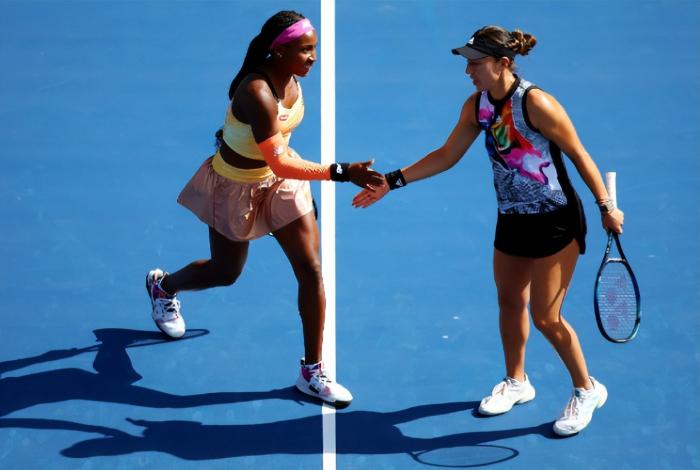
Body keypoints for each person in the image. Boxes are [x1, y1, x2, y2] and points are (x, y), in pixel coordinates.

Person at [352, 25, 624, 436]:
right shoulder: (477, 106)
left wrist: (606, 206)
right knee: (510, 302)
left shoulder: (536, 103)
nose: (468, 71)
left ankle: (587, 389)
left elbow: (578, 154)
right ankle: (517, 381)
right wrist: (392, 181)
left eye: (476, 64)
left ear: (503, 63)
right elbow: (447, 154)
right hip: (512, 217)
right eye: (467, 63)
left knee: (546, 317)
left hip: (555, 220)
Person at [145, 10, 383, 408]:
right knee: (226, 272)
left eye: (314, 49)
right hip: (236, 187)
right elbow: (279, 161)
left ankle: (312, 371)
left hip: (281, 181)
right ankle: (163, 286)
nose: (313, 57)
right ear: (279, 51)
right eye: (305, 50)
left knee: (311, 269)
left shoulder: (291, 77)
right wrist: (341, 172)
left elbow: (281, 162)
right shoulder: (256, 92)